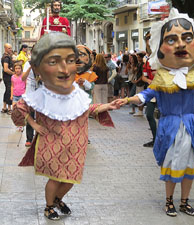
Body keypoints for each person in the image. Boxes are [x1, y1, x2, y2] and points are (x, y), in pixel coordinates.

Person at [116, 8, 194, 217]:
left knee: (190, 165)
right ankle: (169, 201)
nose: (180, 44)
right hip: (169, 125)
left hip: (190, 126)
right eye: (171, 40)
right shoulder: (161, 77)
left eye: (187, 38)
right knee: (170, 163)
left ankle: (184, 202)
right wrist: (125, 99)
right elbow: (144, 95)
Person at [11, 32, 119, 221]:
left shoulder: (75, 92)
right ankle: (49, 207)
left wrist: (108, 105)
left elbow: (88, 108)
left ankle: (58, 199)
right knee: (55, 177)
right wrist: (34, 124)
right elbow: (20, 107)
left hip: (76, 143)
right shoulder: (43, 93)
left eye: (70, 60)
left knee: (71, 178)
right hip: (52, 141)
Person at [141, 31, 157, 147]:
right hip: (152, 91)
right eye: (147, 40)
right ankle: (156, 138)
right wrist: (148, 81)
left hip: (165, 91)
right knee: (149, 114)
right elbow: (144, 76)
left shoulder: (165, 58)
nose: (149, 42)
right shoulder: (148, 60)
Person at [1, 43, 14, 115]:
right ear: (5, 48)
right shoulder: (6, 57)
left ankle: (4, 107)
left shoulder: (8, 56)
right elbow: (6, 69)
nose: (11, 49)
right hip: (7, 77)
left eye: (11, 48)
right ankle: (9, 108)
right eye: (9, 48)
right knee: (9, 91)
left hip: (7, 77)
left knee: (7, 91)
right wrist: (13, 74)